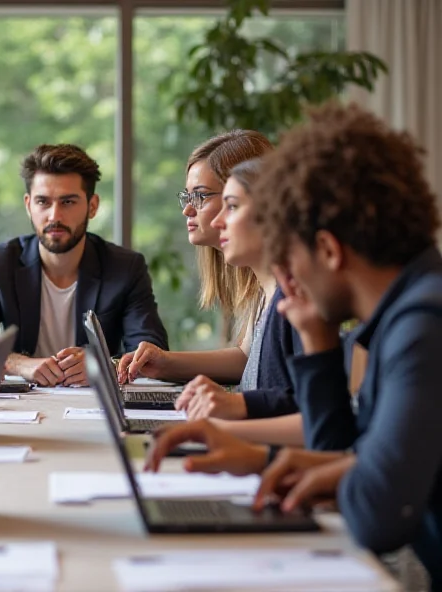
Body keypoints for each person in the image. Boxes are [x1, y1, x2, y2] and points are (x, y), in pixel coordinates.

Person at [146, 102, 442, 585]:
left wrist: (264, 453)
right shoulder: (409, 311)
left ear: (326, 249)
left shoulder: (424, 327)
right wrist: (318, 343)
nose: (285, 276)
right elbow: (343, 453)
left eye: (291, 254)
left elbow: (378, 519)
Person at [0, 143, 168, 386]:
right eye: (43, 202)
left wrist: (104, 365)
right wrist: (17, 364)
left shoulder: (125, 267)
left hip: (94, 404)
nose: (54, 216)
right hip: (21, 404)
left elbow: (151, 353)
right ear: (28, 205)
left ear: (92, 206)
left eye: (68, 202)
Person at [118, 131, 272, 388]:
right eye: (187, 196)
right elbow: (248, 359)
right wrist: (164, 362)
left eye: (200, 196)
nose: (187, 209)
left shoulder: (289, 292)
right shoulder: (260, 285)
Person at [170, 158, 300, 421]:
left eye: (231, 206)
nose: (218, 222)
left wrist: (228, 417)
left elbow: (308, 414)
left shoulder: (291, 304)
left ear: (271, 214)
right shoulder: (270, 298)